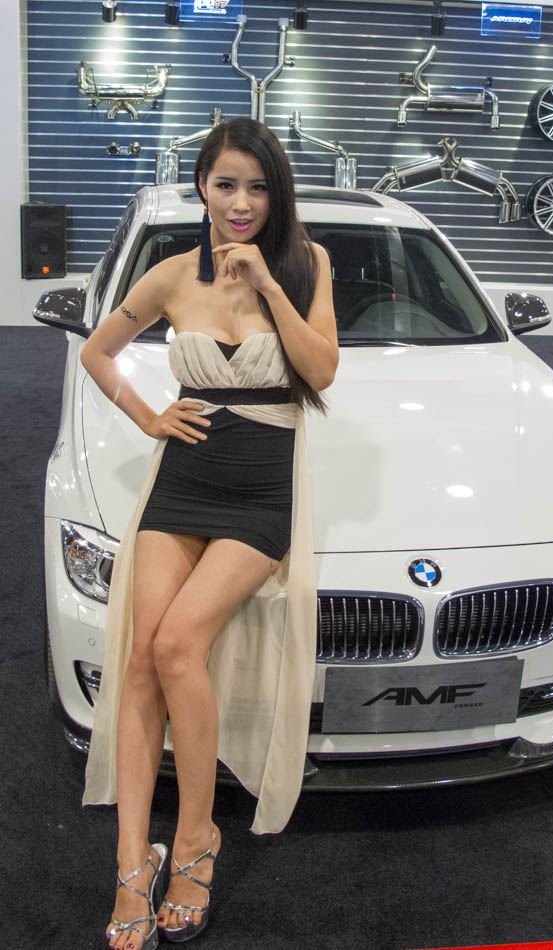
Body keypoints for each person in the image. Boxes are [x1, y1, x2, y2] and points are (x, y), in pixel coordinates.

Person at [79, 117, 338, 949]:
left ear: (277, 192)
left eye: (257, 186)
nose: (240, 202)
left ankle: (195, 839)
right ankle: (132, 855)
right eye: (225, 183)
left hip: (261, 489)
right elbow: (98, 353)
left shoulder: (305, 264)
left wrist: (266, 284)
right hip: (185, 481)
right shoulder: (168, 276)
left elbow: (322, 369)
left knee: (177, 646)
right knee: (142, 659)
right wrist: (149, 415)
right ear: (201, 185)